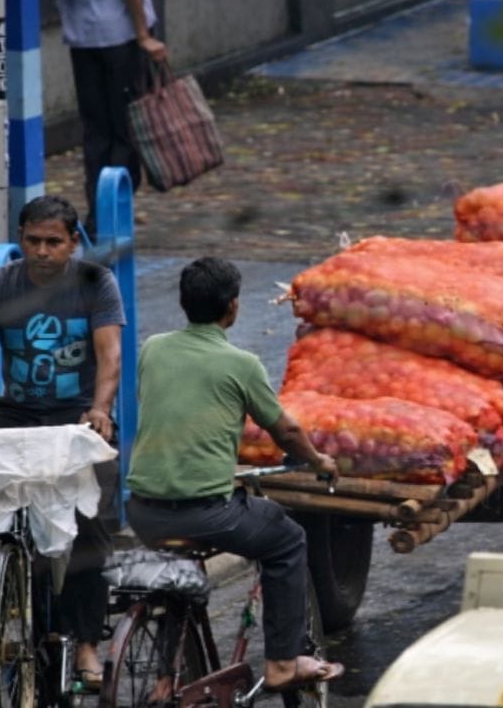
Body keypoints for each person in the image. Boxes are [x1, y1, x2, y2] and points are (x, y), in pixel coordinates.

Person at [126, 257, 344, 695]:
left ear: (184, 303)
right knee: (287, 540)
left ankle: (166, 679)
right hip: (207, 514)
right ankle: (283, 662)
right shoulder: (240, 363)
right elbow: (287, 429)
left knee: (177, 576)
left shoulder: (152, 349)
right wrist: (318, 461)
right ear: (233, 308)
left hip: (144, 511)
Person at [0, 194, 124, 688]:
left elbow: (110, 356)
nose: (42, 251)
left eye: (53, 242)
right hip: (15, 414)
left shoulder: (96, 283)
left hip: (77, 416)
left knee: (91, 517)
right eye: (33, 241)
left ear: (73, 243)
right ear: (20, 240)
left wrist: (100, 410)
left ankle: (85, 642)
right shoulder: (0, 284)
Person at [39, 0, 167, 237]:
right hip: (122, 33)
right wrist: (144, 35)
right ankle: (112, 211)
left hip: (83, 35)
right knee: (124, 129)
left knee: (96, 130)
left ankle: (98, 211)